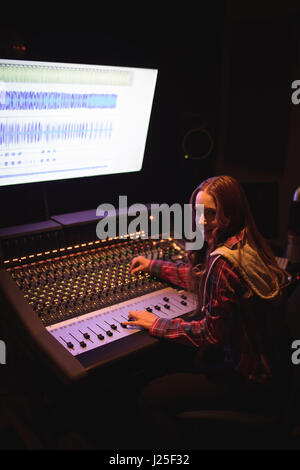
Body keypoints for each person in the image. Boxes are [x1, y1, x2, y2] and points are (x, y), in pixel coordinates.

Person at [122, 175, 290, 449]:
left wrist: (157, 323)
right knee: (188, 365)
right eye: (198, 212)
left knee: (149, 398)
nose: (202, 221)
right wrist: (155, 266)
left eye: (211, 214)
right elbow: (200, 278)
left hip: (251, 381)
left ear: (230, 213)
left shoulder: (222, 263)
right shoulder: (246, 241)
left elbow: (211, 334)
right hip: (271, 373)